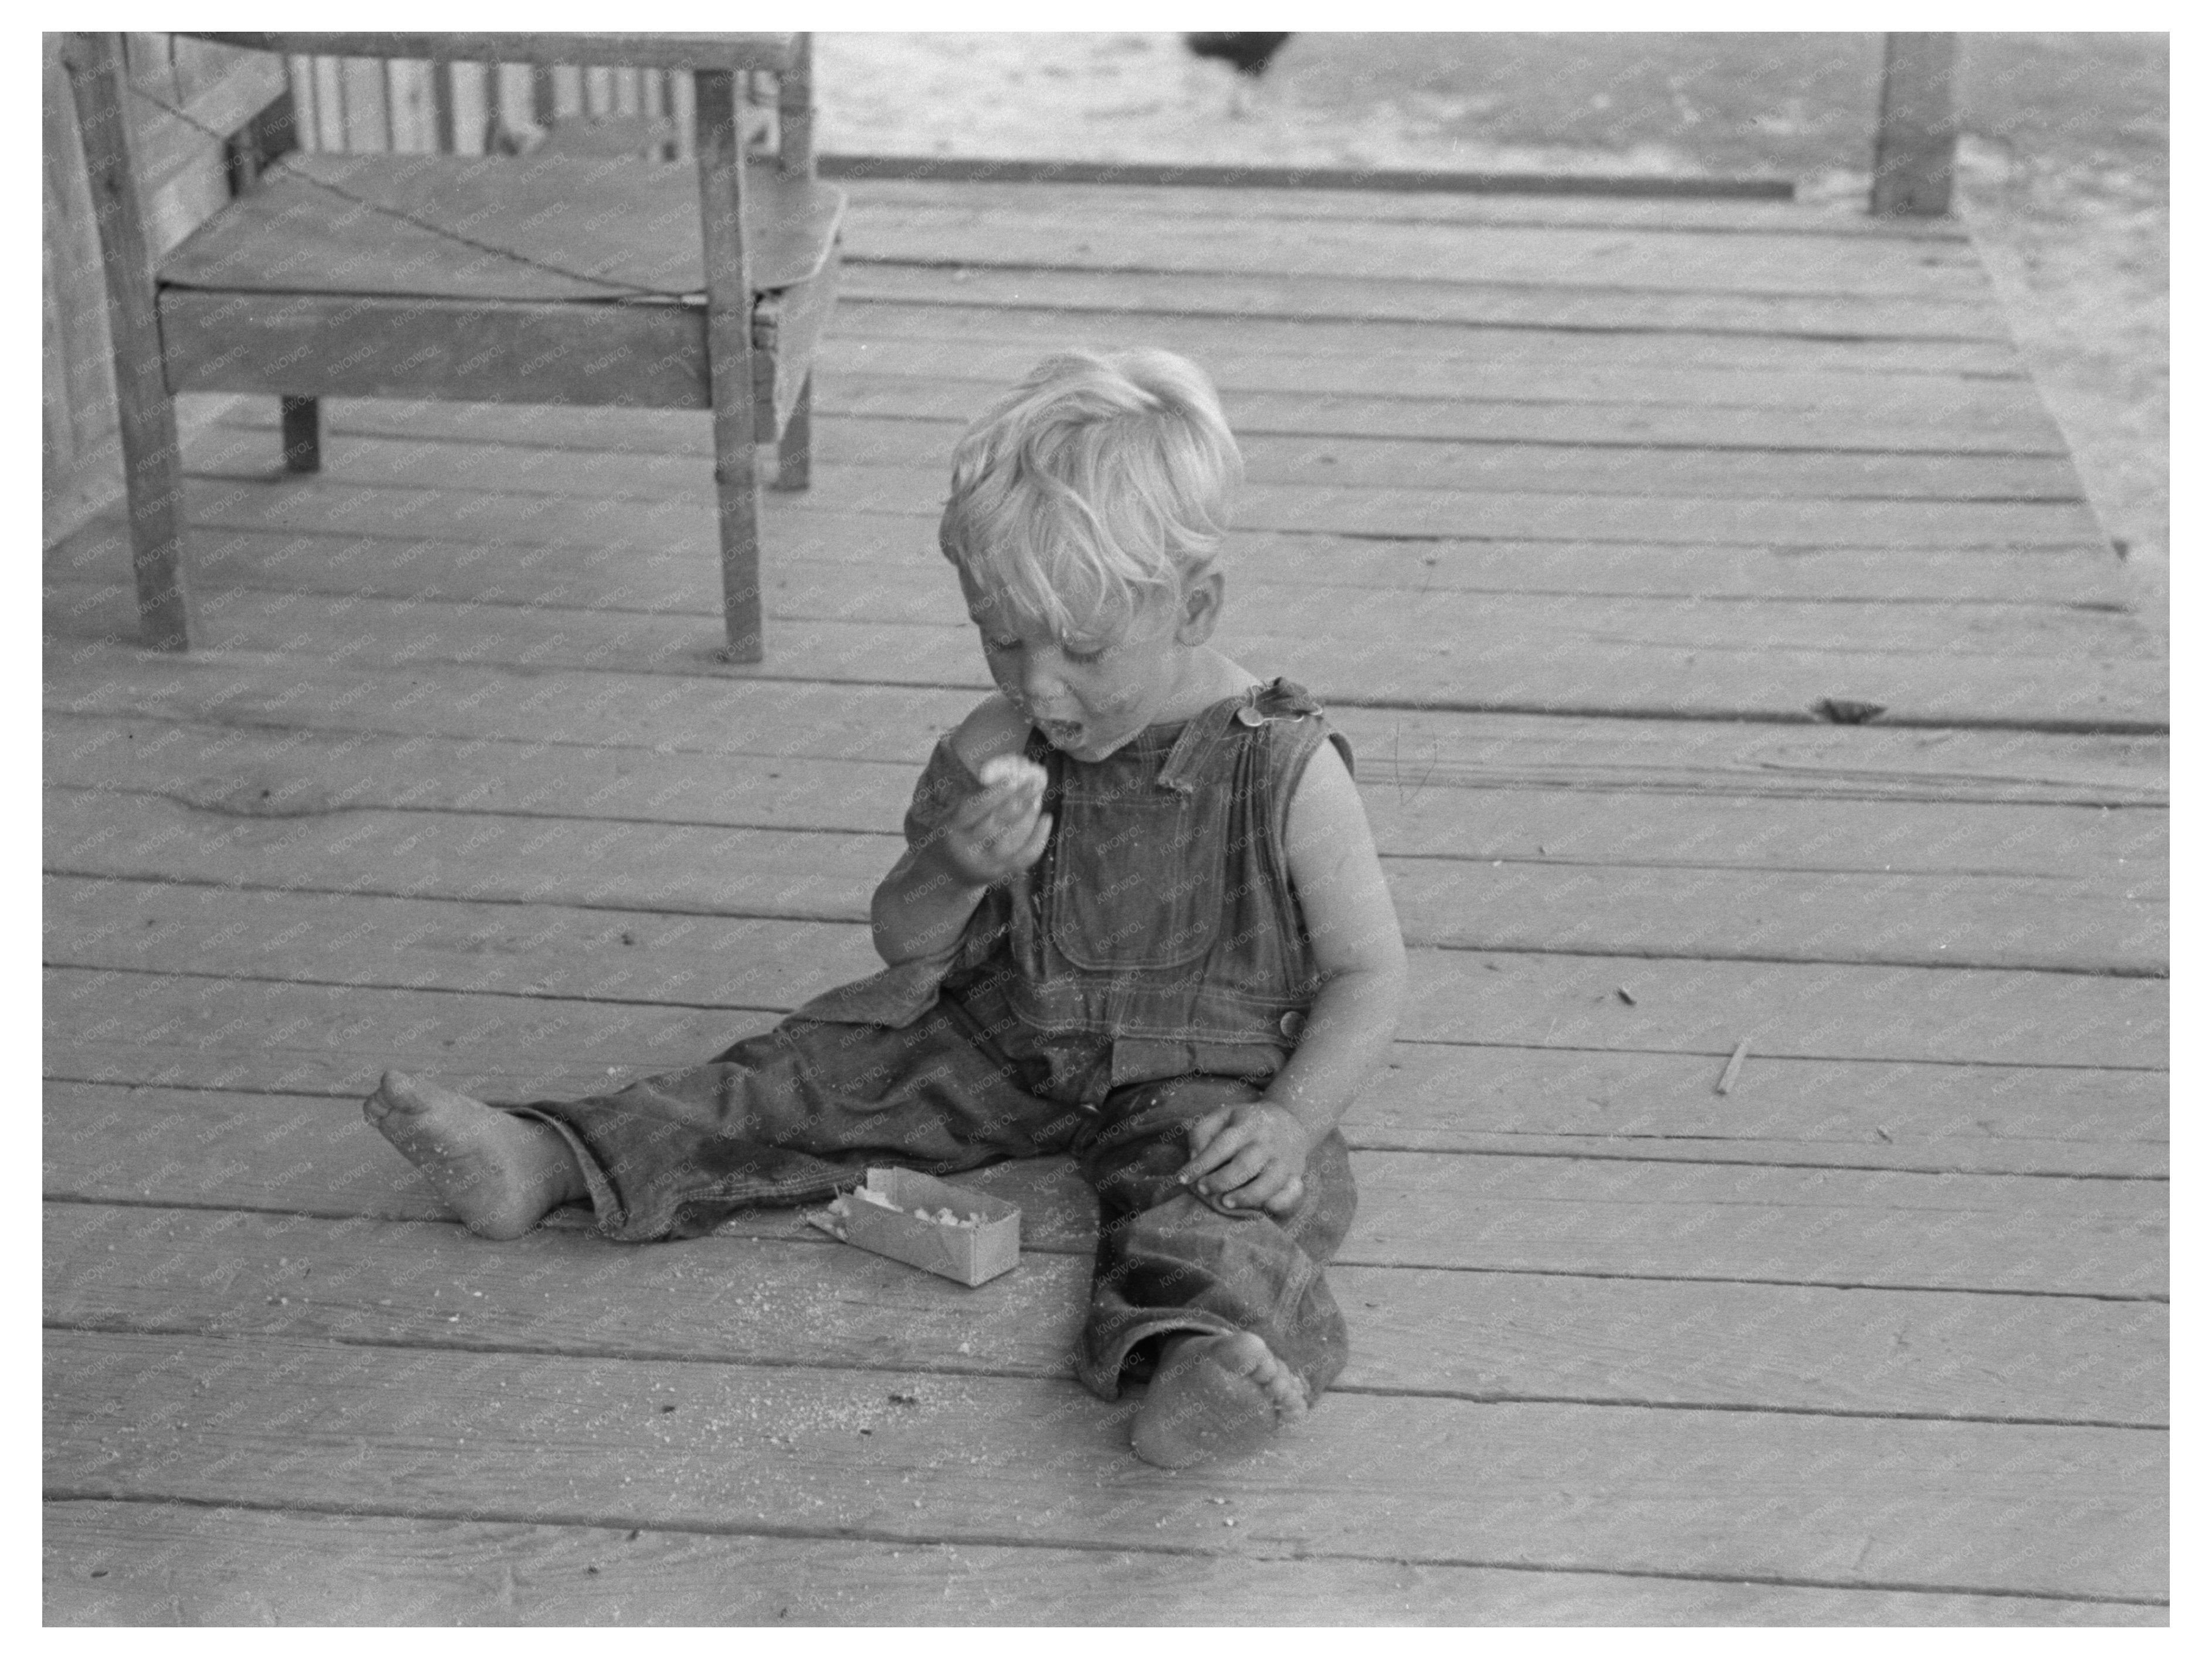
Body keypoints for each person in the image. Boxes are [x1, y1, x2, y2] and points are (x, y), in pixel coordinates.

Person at [365, 348, 1409, 1468]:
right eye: (1002, 637)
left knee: (1225, 1200)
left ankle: (1196, 1366)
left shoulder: (1284, 769)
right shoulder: (995, 746)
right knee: (804, 1073)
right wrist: (954, 865)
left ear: (1195, 605)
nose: (1039, 684)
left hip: (1203, 1075)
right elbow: (904, 939)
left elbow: (1369, 973)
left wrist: (1293, 1119)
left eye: (1084, 648)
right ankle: (554, 1159)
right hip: (1002, 1036)